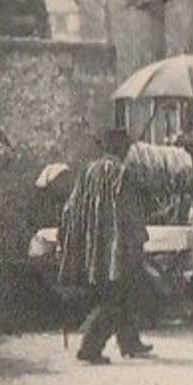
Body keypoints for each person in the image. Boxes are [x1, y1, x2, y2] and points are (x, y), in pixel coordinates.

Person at [57, 128, 153, 365]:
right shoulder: (122, 173)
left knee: (122, 292)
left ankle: (130, 341)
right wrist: (138, 240)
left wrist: (71, 239)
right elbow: (130, 213)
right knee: (116, 295)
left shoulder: (88, 171)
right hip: (116, 246)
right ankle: (90, 347)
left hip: (92, 246)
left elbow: (70, 208)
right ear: (122, 148)